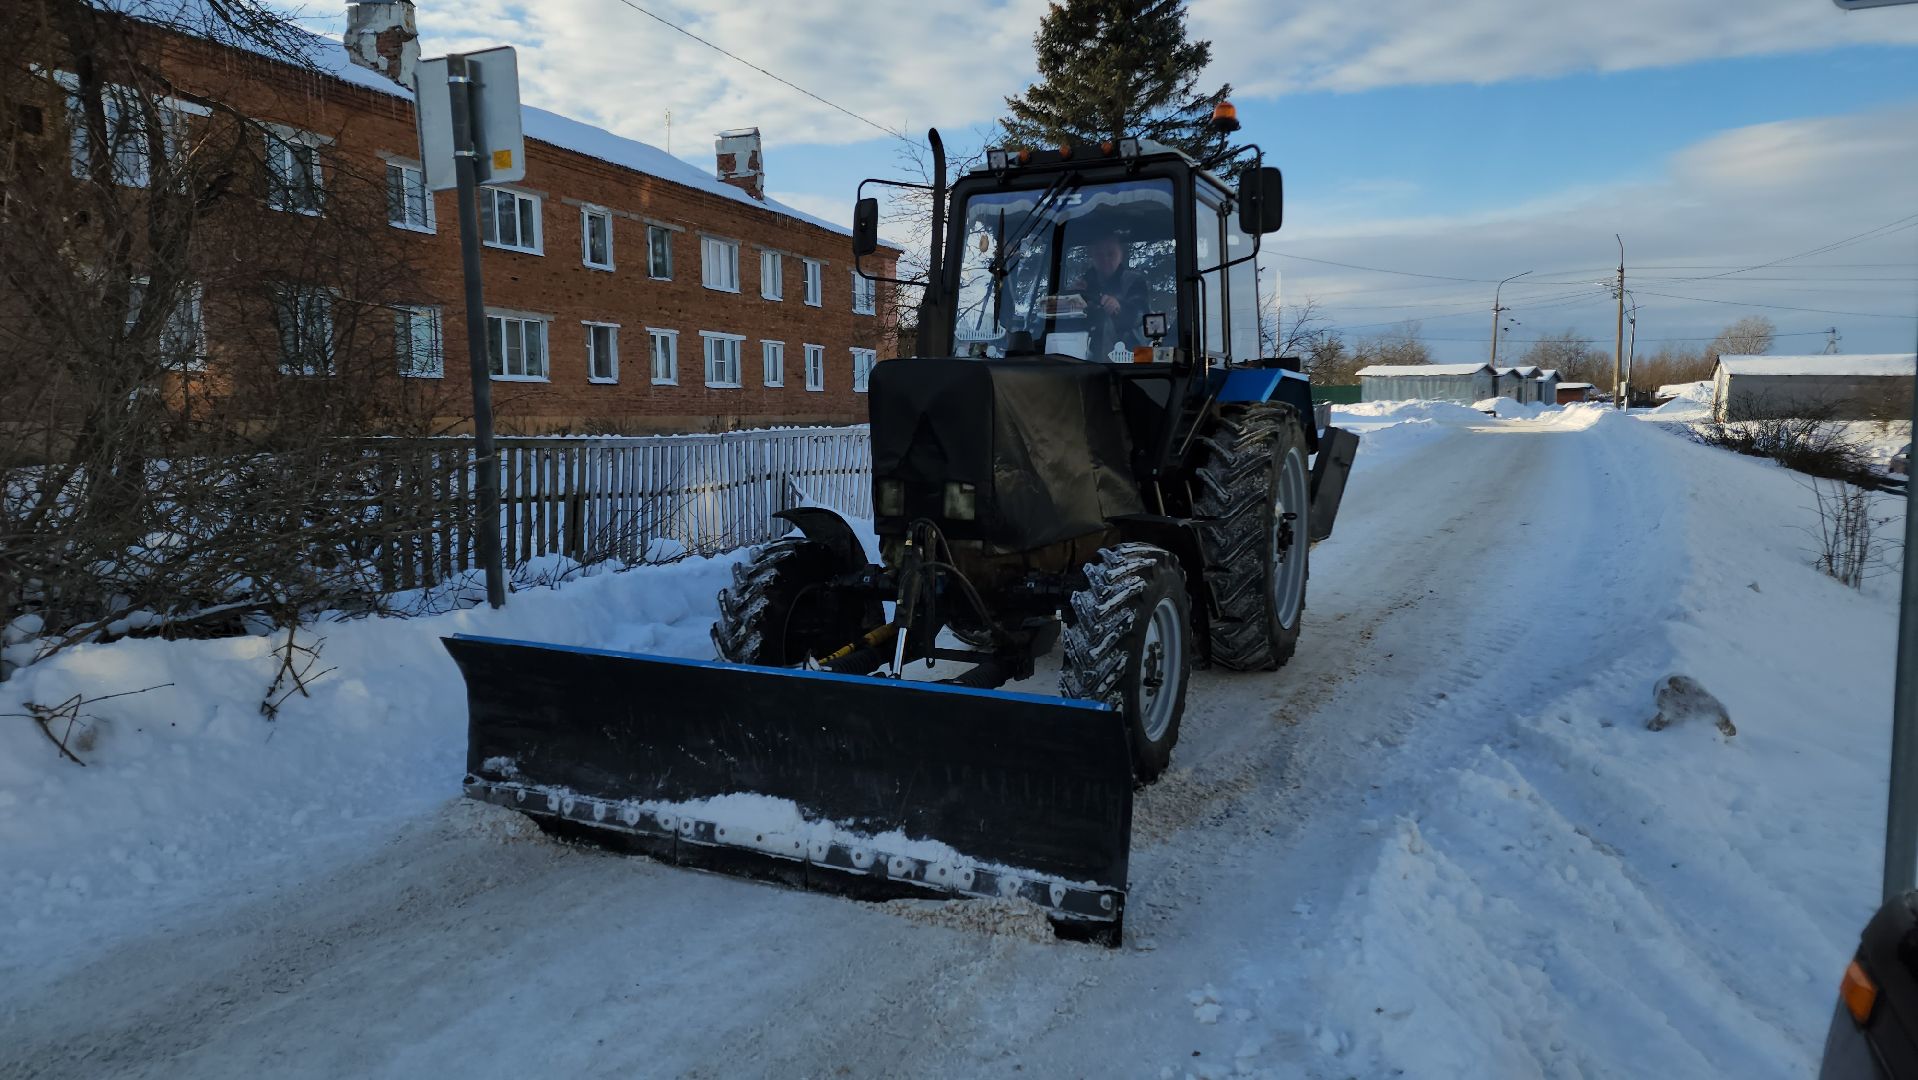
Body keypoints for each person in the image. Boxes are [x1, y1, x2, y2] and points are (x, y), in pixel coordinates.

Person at [1068, 228, 1151, 361]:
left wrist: (1120, 307)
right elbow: (1067, 325)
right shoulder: (1082, 285)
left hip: (1129, 361)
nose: (1105, 259)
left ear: (1121, 255)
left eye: (1111, 253)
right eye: (1099, 254)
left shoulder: (1134, 281)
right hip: (1084, 361)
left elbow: (1141, 315)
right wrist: (1071, 300)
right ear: (1092, 256)